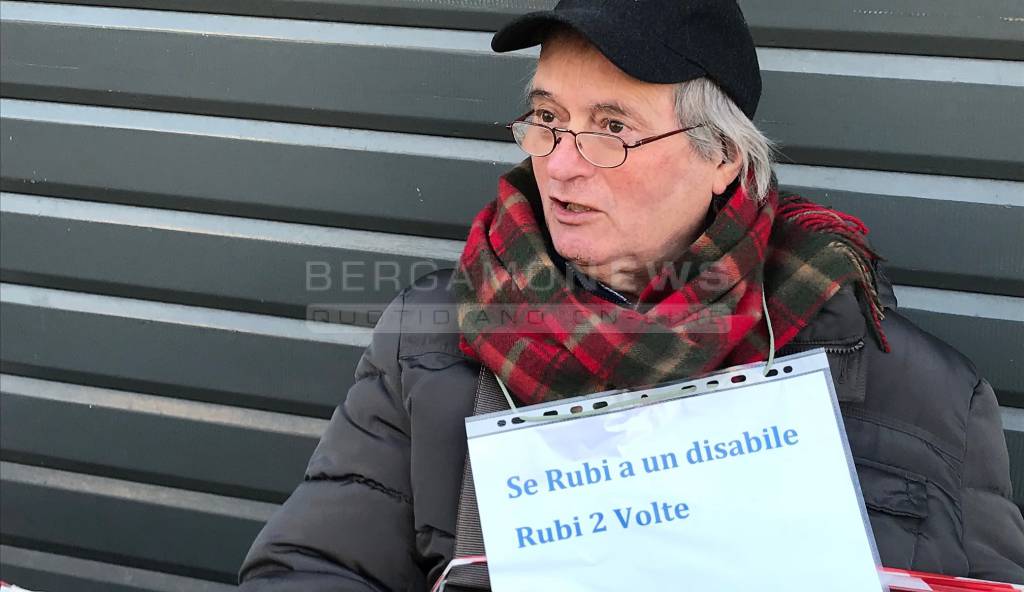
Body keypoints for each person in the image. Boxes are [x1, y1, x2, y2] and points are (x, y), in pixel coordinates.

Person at [238, 1, 1024, 589]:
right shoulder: (430, 341)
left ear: (722, 159)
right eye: (546, 118)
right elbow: (311, 568)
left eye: (611, 127)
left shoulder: (922, 394)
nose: (561, 163)